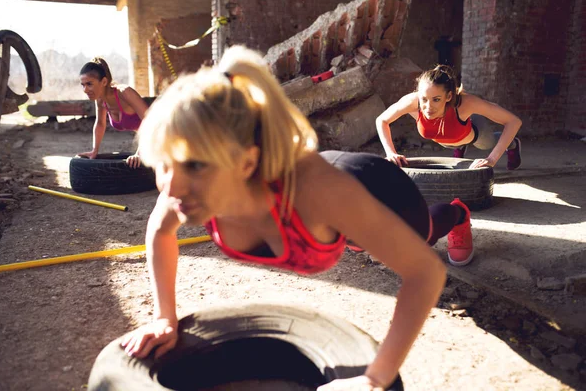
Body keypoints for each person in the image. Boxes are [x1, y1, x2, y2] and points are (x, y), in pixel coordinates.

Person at [119, 46, 471, 390]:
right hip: (326, 206)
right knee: (362, 240)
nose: (171, 185)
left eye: (195, 165)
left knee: (419, 238)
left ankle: (457, 213)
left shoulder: (321, 193)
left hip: (378, 188)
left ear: (245, 162)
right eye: (165, 162)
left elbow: (425, 272)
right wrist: (164, 317)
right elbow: (159, 231)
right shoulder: (184, 189)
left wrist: (375, 377)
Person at [376, 65, 523, 170]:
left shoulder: (465, 104)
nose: (428, 107)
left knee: (487, 143)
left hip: (474, 132)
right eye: (424, 99)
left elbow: (513, 121)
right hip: (449, 138)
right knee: (453, 139)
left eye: (436, 99)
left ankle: (513, 144)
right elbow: (382, 120)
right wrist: (391, 152)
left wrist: (491, 159)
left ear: (449, 96)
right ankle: (459, 146)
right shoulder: (412, 102)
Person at [78, 57, 149, 168]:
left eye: (89, 84)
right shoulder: (100, 100)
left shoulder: (125, 92)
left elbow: (151, 122)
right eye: (83, 85)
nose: (85, 90)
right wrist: (94, 150)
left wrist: (140, 152)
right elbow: (100, 124)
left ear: (104, 82)